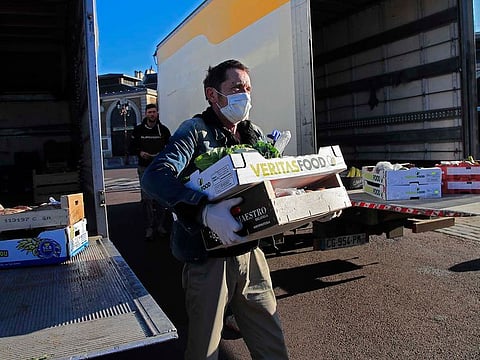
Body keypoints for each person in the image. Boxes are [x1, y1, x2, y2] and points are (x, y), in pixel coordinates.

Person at [142, 59, 289, 359]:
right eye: (236, 88)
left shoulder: (252, 133)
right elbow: (154, 177)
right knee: (205, 350)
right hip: (208, 259)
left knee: (272, 344)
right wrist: (204, 212)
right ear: (213, 95)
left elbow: (261, 182)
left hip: (250, 254)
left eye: (247, 88)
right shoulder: (195, 131)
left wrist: (291, 195)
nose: (244, 95)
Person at [129, 103, 171, 241]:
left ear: (157, 114)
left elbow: (170, 147)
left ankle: (160, 226)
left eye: (154, 112)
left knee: (160, 199)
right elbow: (131, 147)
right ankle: (149, 227)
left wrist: (161, 154)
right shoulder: (138, 130)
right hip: (144, 168)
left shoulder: (163, 130)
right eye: (149, 112)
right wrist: (140, 153)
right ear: (146, 114)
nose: (152, 114)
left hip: (159, 168)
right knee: (147, 199)